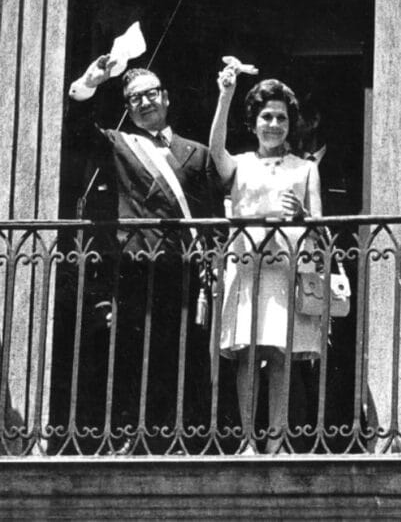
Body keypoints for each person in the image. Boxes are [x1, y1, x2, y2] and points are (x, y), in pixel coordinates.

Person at [58, 54, 226, 454]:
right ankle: (132, 441)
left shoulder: (197, 153)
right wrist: (89, 82)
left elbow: (214, 218)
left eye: (151, 94)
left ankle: (184, 439)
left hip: (184, 271)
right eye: (135, 99)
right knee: (133, 357)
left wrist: (217, 264)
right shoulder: (119, 144)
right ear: (128, 109)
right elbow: (78, 131)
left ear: (166, 98)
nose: (145, 102)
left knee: (183, 356)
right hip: (135, 269)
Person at [209, 68, 324, 454]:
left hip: (287, 268)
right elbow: (215, 153)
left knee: (280, 355)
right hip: (248, 268)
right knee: (248, 352)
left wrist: (302, 214)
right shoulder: (241, 163)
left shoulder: (306, 168)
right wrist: (225, 96)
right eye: (266, 117)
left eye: (281, 118)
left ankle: (275, 440)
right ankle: (246, 440)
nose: (274, 124)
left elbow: (321, 229)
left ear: (291, 124)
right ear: (254, 123)